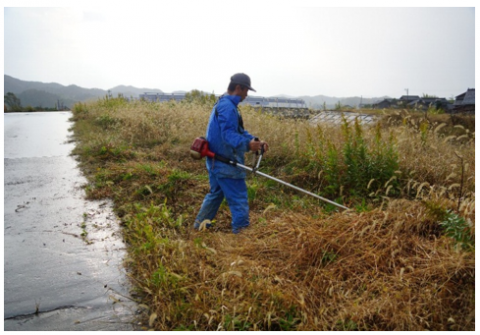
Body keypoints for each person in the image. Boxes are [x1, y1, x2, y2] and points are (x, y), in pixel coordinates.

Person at [194, 73, 268, 234]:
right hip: (225, 164)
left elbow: (238, 131)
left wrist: (255, 141)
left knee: (215, 196)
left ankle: (198, 229)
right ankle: (241, 239)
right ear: (238, 88)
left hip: (215, 162)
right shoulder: (227, 107)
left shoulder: (225, 104)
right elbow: (228, 135)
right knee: (239, 200)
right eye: (246, 90)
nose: (246, 95)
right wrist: (248, 145)